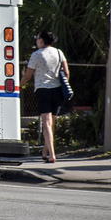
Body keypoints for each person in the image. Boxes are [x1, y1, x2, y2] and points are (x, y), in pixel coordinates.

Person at [20, 30, 70, 163]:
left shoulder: (36, 55)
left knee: (46, 123)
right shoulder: (59, 52)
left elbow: (28, 76)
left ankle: (52, 154)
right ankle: (45, 152)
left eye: (37, 39)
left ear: (41, 40)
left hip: (43, 90)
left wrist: (18, 86)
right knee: (52, 122)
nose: (36, 41)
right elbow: (66, 72)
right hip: (57, 90)